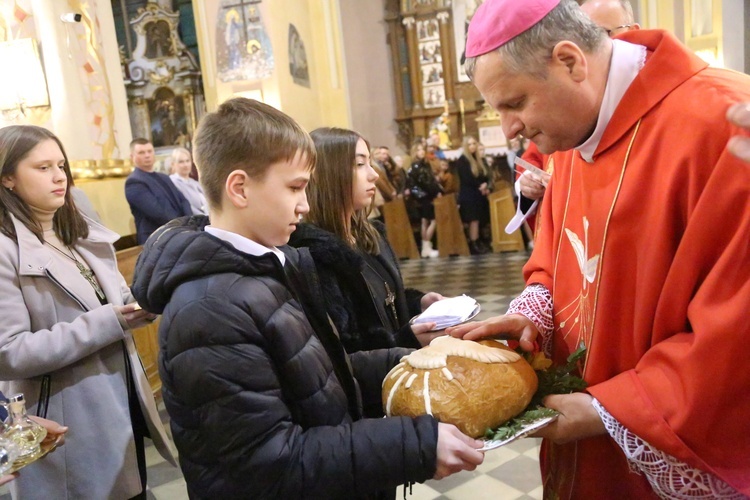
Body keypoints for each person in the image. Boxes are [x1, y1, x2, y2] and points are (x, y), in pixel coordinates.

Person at [449, 0, 750, 497]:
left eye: (515, 102)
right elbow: (556, 260)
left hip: (667, 433)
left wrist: (612, 410)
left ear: (570, 61)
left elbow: (736, 329)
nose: (509, 130)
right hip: (583, 446)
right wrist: (536, 314)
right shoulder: (573, 130)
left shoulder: (725, 124)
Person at [130, 98, 484, 498]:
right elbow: (268, 462)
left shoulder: (265, 268)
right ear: (240, 188)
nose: (306, 204)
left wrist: (421, 362)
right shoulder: (209, 310)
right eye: (295, 187)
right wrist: (411, 444)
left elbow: (324, 375)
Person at [0, 125, 176, 499]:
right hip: (69, 419)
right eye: (43, 167)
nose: (60, 176)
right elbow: (9, 352)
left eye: (61, 164)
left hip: (119, 401)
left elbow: (107, 299)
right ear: (8, 178)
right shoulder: (6, 250)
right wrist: (108, 321)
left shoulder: (74, 233)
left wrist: (138, 307)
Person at [289, 127, 446, 356]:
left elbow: (384, 299)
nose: (373, 175)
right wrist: (405, 342)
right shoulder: (315, 255)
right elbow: (343, 354)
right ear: (331, 173)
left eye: (369, 163)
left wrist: (418, 302)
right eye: (360, 164)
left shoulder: (370, 235)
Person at [516, 0, 639, 225]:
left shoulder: (662, 109)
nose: (590, 53)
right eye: (581, 41)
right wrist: (527, 185)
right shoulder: (563, 115)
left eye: (603, 35)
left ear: (633, 32)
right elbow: (532, 162)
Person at [124, 138, 192, 244]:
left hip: (179, 233)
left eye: (150, 151)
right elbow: (158, 213)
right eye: (141, 152)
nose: (147, 155)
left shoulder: (164, 177)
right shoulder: (134, 182)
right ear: (132, 157)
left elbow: (183, 201)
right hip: (156, 239)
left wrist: (190, 223)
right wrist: (182, 226)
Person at [455, 136, 490, 254]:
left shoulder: (477, 159)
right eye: (469, 144)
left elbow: (484, 174)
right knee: (473, 219)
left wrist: (485, 184)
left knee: (479, 219)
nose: (472, 146)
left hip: (478, 193)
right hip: (469, 194)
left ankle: (479, 240)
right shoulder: (462, 160)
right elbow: (466, 178)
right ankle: (473, 243)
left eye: (474, 144)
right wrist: (480, 185)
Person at [406, 142, 442, 258]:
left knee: (425, 222)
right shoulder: (417, 166)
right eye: (418, 150)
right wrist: (435, 191)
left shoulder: (421, 165)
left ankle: (426, 248)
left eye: (422, 150)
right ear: (414, 153)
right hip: (425, 197)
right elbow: (426, 182)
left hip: (423, 196)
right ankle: (426, 247)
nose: (421, 152)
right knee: (432, 221)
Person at [168, 147, 207, 215]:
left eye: (187, 161)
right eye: (181, 162)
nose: (185, 165)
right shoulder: (172, 183)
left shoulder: (195, 183)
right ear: (173, 164)